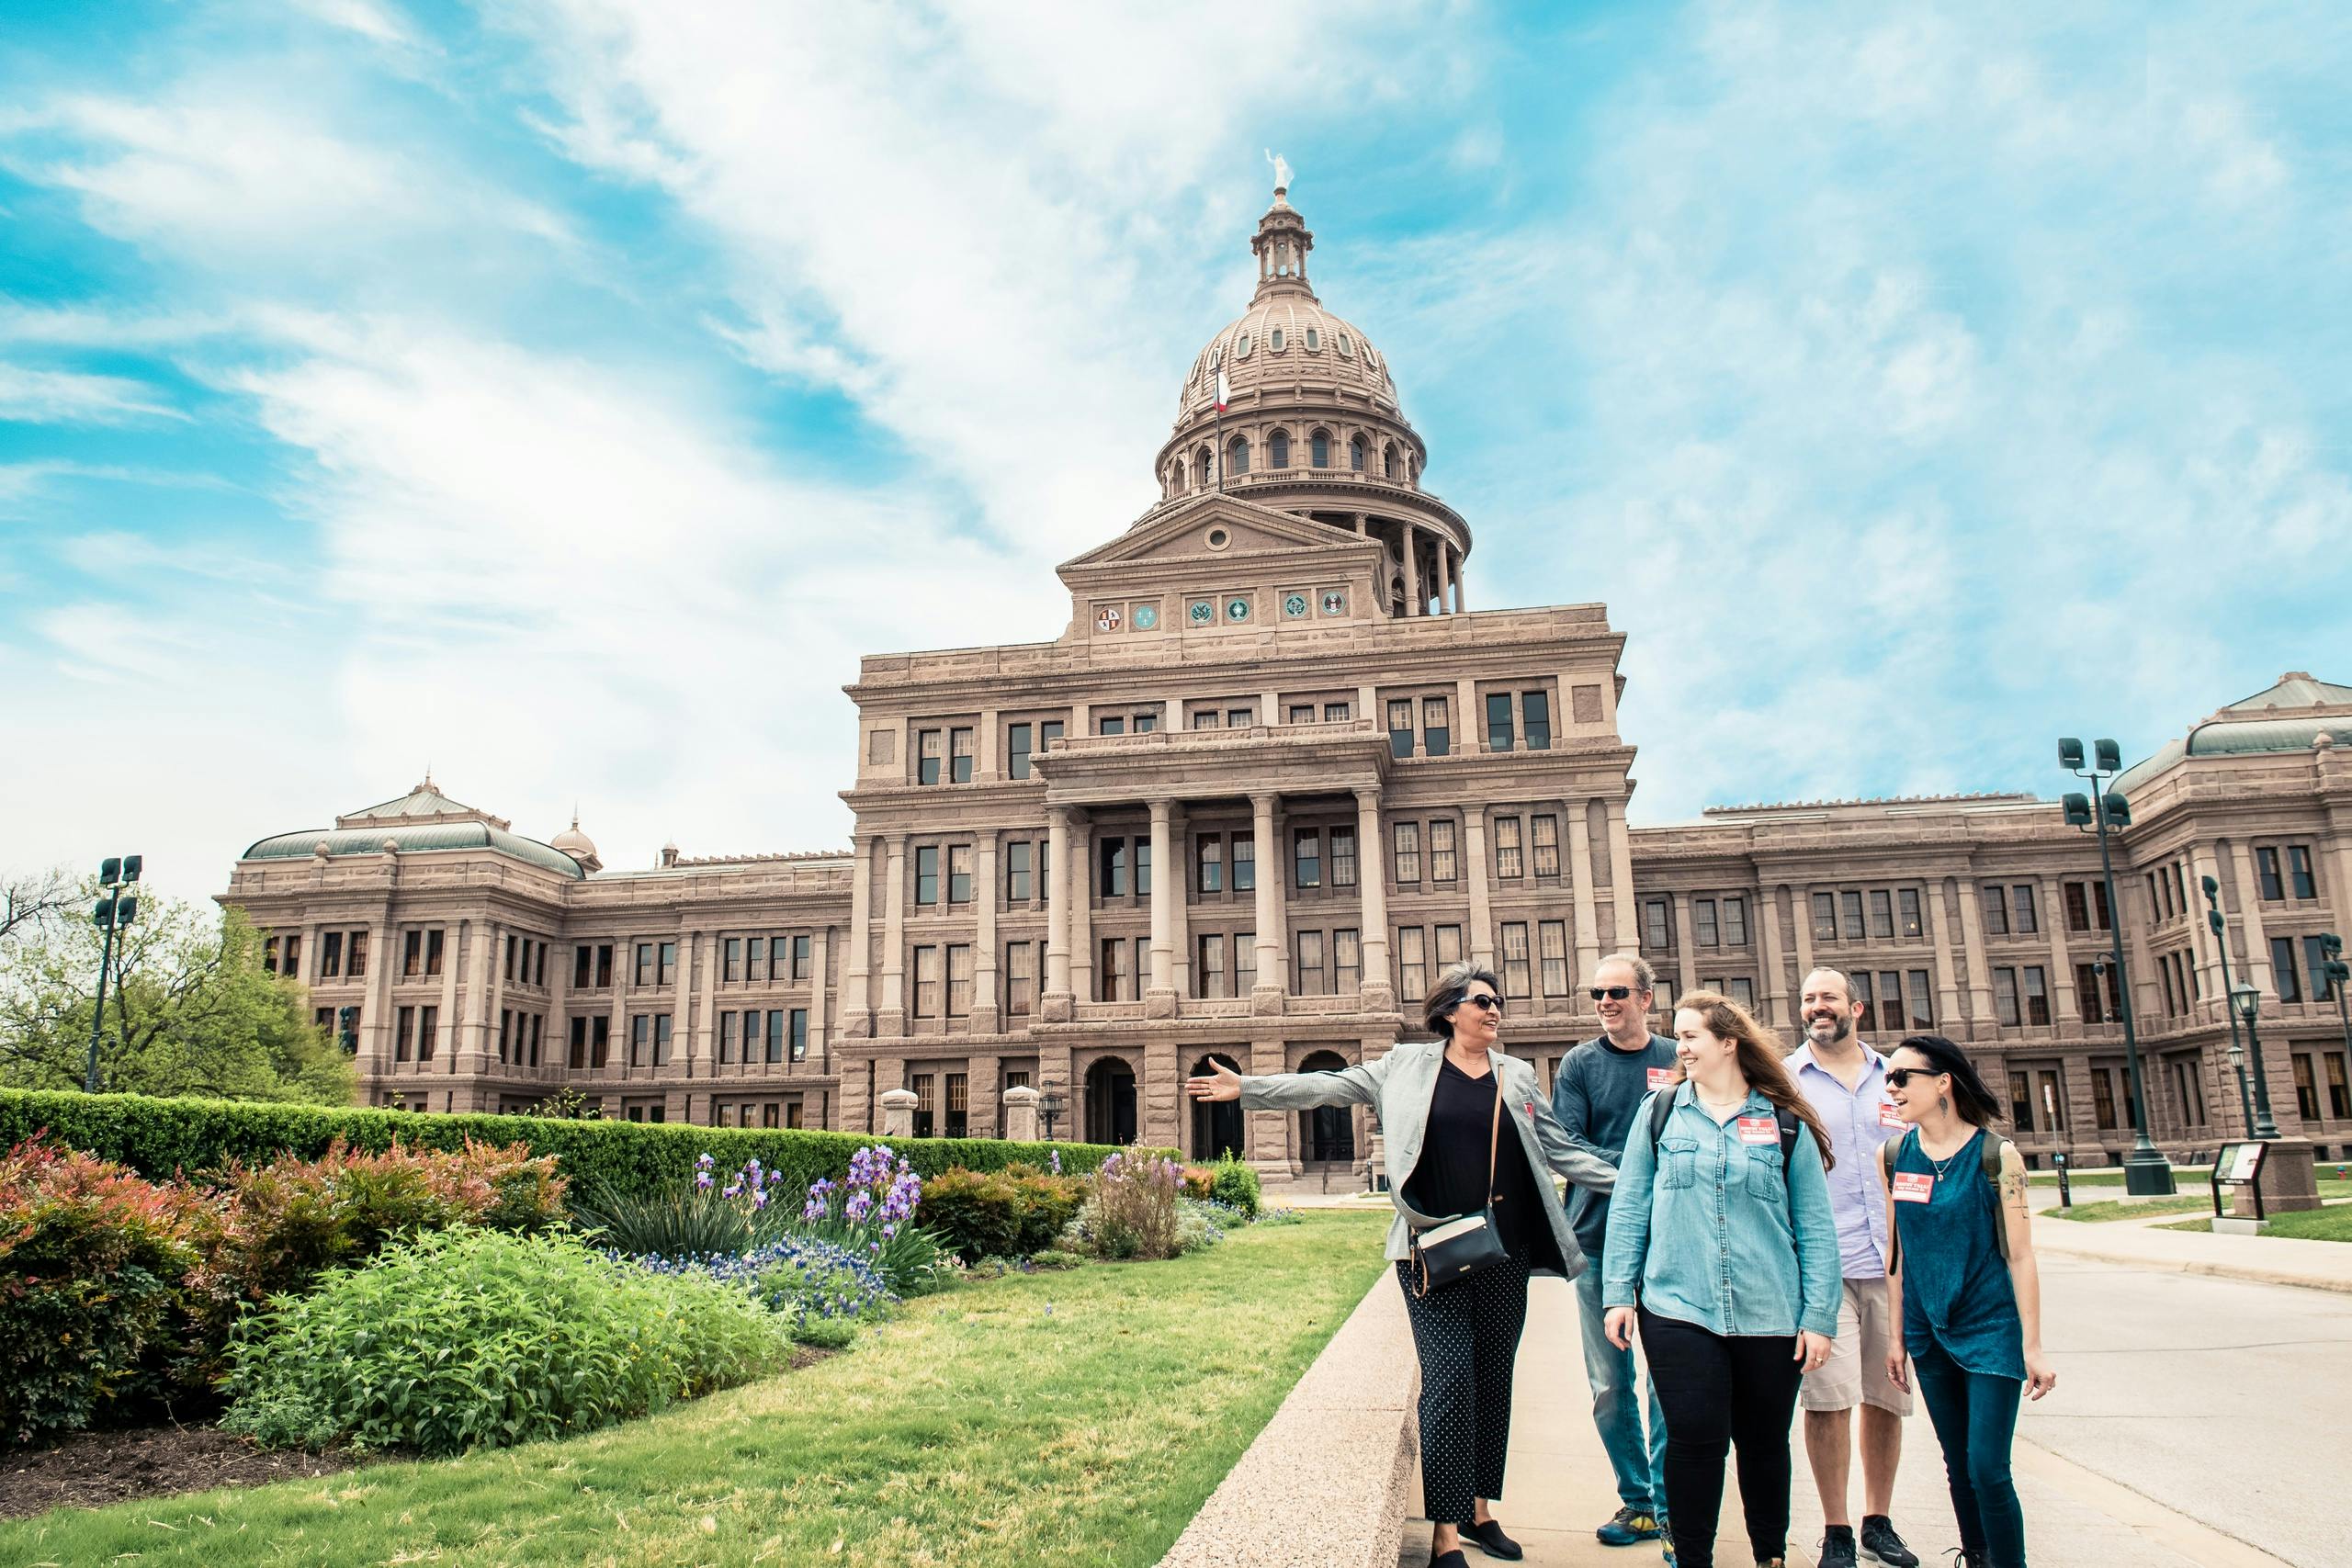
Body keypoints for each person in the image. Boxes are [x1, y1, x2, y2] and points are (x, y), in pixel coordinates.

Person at [1187, 963, 1616, 1567]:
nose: (1495, 1010)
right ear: (1448, 1013)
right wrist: (1250, 1089)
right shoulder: (1406, 1067)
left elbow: (1561, 1149)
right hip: (1432, 1254)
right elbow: (1329, 1086)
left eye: (1498, 1002)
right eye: (1483, 1001)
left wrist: (1634, 1179)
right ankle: (1444, 1532)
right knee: (1447, 1386)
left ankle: (1479, 1511)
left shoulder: (1515, 1075)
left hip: (1504, 1250)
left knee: (1493, 1384)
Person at [1601, 990, 1839, 1568]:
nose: (1679, 1047)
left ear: (1728, 1043)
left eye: (1690, 1037)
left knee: (1762, 1445)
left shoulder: (1783, 1121)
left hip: (1769, 1309)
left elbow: (1814, 1225)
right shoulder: (1658, 1113)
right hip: (1678, 1307)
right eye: (1678, 1037)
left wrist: (1818, 1317)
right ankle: (1693, 1558)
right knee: (1694, 1439)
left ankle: (1769, 1557)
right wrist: (1618, 1293)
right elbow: (1631, 1205)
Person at [1881, 1034, 2057, 1568]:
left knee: (1987, 1467)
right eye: (1888, 1078)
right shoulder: (1891, 1154)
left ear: (1942, 1083)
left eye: (1901, 1077)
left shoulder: (1995, 1156)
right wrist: (1896, 1338)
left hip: (1989, 1327)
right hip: (1927, 1330)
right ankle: (1977, 1556)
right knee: (1957, 1463)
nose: (1891, 1087)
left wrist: (2033, 1346)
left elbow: (2021, 1257)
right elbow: (1896, 1255)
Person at [1786, 969, 1920, 1568]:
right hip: (1822, 1265)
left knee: (1885, 1396)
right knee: (1828, 1398)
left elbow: (1927, 1150)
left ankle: (1877, 1520)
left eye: (1829, 998)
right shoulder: (1786, 1080)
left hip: (1893, 1263)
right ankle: (1836, 1528)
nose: (1819, 1007)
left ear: (1856, 1008)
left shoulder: (1896, 1077)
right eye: (1810, 998)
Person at [1550, 953, 1675, 1552]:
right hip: (1597, 1242)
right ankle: (1639, 1498)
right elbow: (1567, 1147)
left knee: (1669, 1379)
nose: (1605, 1001)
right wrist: (1642, 1171)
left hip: (1670, 1243)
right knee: (1609, 1382)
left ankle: (1671, 1500)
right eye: (1597, 991)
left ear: (1647, 998)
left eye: (1617, 991)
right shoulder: (1577, 1064)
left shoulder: (1677, 1059)